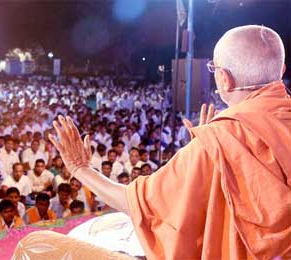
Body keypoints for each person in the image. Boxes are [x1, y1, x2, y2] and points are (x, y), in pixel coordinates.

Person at [48, 25, 291, 259]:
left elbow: (140, 205)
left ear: (223, 78)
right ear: (281, 71)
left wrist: (81, 168)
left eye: (213, 69)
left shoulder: (216, 144)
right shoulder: (218, 140)